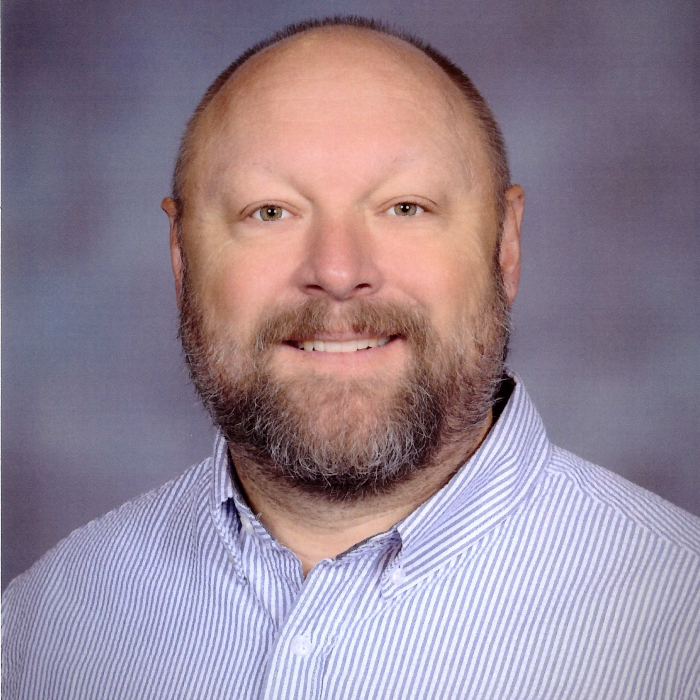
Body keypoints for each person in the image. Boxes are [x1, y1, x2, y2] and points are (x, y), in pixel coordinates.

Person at [3, 16, 699, 700]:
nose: (338, 272)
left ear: (506, 243)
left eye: (405, 208)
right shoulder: (44, 626)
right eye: (270, 212)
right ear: (182, 256)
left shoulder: (681, 620)